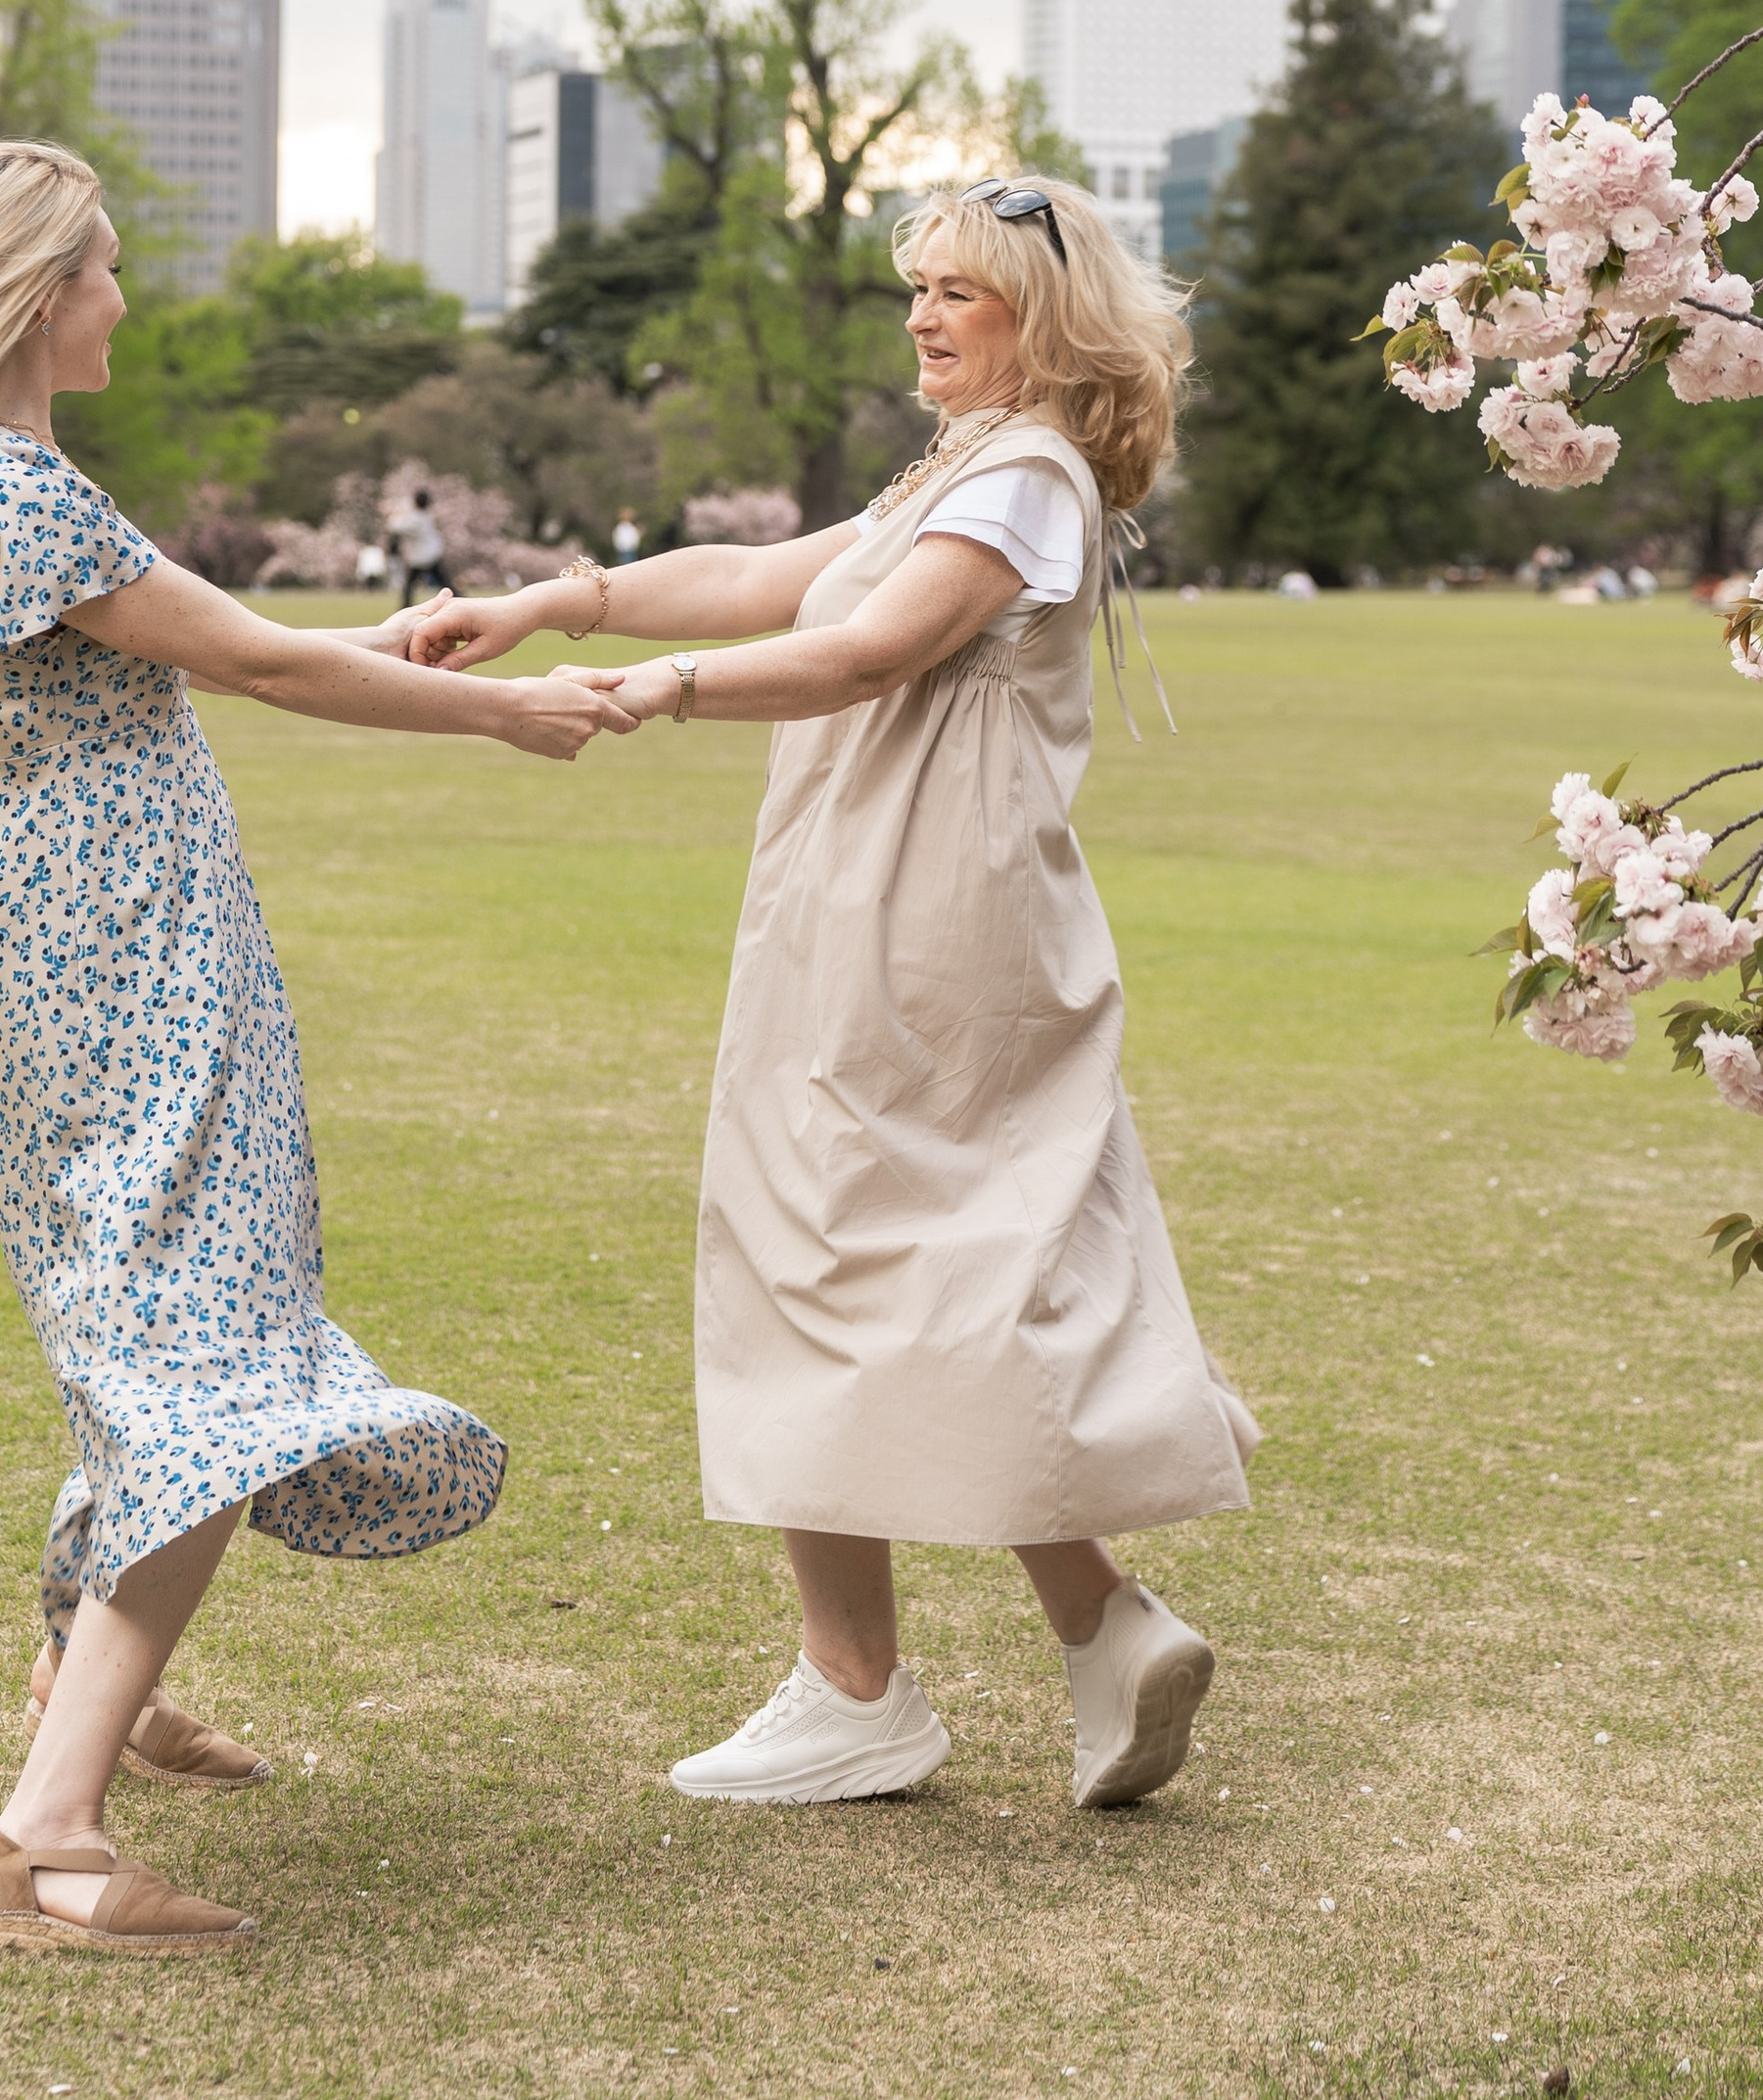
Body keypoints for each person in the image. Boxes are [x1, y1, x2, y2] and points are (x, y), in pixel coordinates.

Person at [0, 140, 626, 1959]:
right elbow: (262, 668)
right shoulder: (7, 484)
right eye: (107, 267)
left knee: (155, 1310)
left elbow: (210, 643)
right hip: (129, 946)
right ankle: (47, 1839)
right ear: (36, 292)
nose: (125, 296)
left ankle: (88, 1682)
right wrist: (502, 712)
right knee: (201, 1334)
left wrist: (393, 643)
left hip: (101, 922)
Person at [415, 177, 1254, 1813]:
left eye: (961, 292)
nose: (923, 316)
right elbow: (763, 575)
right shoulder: (970, 467)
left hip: (917, 920)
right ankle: (1097, 1624)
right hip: (895, 904)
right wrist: (553, 601)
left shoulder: (1023, 477)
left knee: (811, 1241)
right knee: (934, 1257)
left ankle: (858, 1686)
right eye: (916, 288)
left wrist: (650, 690)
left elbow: (874, 649)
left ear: (1042, 319)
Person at [389, 485, 446, 608]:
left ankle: (404, 607)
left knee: (409, 585)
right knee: (443, 581)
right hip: (432, 553)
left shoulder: (415, 518)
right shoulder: (427, 515)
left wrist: (397, 512)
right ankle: (459, 599)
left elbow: (396, 527)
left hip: (420, 557)